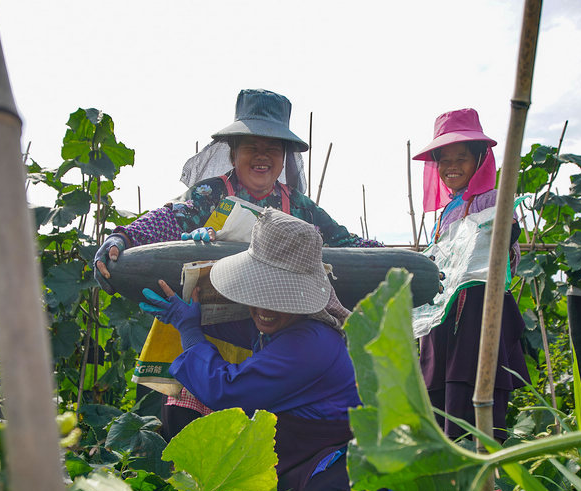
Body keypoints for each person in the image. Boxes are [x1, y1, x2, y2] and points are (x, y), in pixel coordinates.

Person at [93, 88, 381, 439]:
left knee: (248, 437)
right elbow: (165, 220)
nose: (262, 156)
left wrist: (403, 262)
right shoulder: (209, 194)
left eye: (272, 147)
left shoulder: (302, 209)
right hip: (201, 326)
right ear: (233, 153)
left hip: (265, 334)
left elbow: (350, 245)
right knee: (189, 438)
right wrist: (123, 239)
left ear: (284, 156)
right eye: (251, 146)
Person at [139, 209, 389, 491]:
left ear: (300, 300)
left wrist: (190, 330)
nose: (265, 309)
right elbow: (244, 332)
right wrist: (184, 317)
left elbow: (224, 389)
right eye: (258, 292)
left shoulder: (309, 343)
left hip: (335, 453)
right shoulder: (289, 326)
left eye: (280, 298)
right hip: (304, 446)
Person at [412, 108, 529, 441]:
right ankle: (449, 476)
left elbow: (504, 242)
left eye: (461, 158)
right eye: (444, 160)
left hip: (479, 313)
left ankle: (486, 480)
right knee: (441, 399)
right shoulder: (447, 211)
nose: (452, 167)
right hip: (444, 319)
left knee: (477, 393)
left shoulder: (493, 200)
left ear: (480, 159)